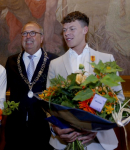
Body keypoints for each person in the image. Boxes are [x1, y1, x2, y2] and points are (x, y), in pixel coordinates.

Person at [47, 11, 124, 150]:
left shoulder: (106, 60)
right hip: (64, 141)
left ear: (85, 30)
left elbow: (118, 99)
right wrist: (54, 128)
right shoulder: (55, 64)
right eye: (64, 30)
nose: (66, 33)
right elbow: (49, 104)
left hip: (99, 142)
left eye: (72, 29)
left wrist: (97, 127)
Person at [4, 21, 57, 150]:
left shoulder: (54, 61)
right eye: (25, 33)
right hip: (15, 128)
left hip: (43, 127)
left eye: (33, 33)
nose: (28, 36)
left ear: (42, 38)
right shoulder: (11, 61)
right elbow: (2, 92)